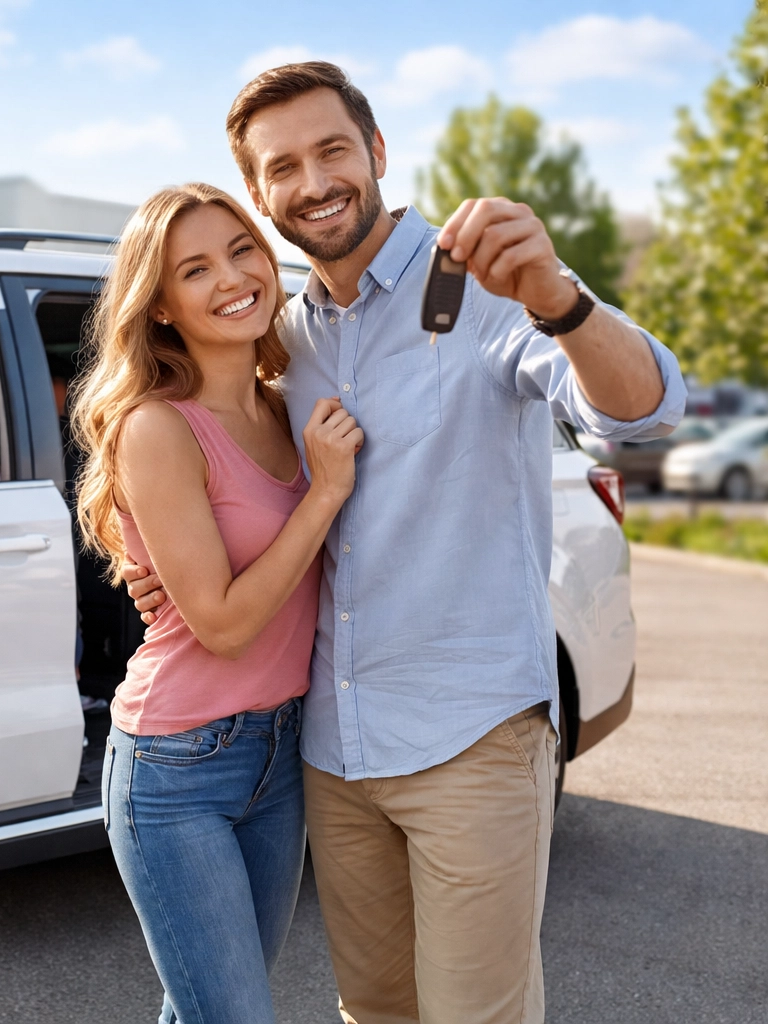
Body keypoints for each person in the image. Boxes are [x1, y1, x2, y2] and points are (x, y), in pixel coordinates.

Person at [123, 62, 686, 1024]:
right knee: (374, 1011)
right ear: (262, 197)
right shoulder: (282, 340)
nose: (314, 182)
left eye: (333, 150)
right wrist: (172, 582)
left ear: (377, 152)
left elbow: (640, 413)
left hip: (471, 737)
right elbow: (220, 493)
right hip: (332, 754)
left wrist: (562, 299)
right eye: (283, 167)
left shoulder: (485, 283)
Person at [72, 181, 363, 1024]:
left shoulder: (288, 406)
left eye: (241, 250)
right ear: (158, 306)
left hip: (282, 750)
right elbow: (226, 624)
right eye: (193, 269)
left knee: (204, 1008)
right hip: (178, 768)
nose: (232, 277)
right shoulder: (157, 427)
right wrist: (323, 494)